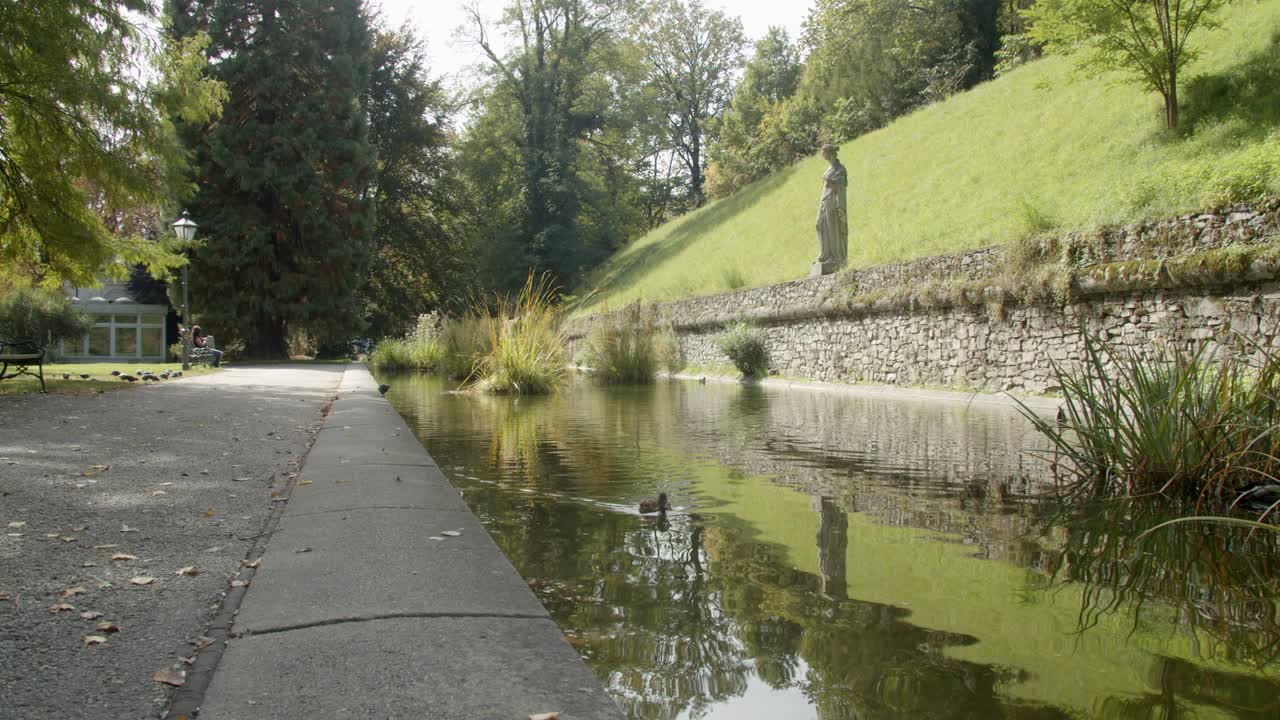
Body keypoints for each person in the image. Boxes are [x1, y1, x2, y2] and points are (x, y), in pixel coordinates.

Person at [813, 143, 849, 276]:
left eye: (823, 152)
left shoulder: (840, 168)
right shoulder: (829, 168)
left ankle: (836, 257)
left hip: (833, 201)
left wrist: (832, 181)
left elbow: (843, 184)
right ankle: (825, 254)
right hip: (824, 201)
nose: (822, 155)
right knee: (819, 225)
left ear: (829, 153)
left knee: (832, 229)